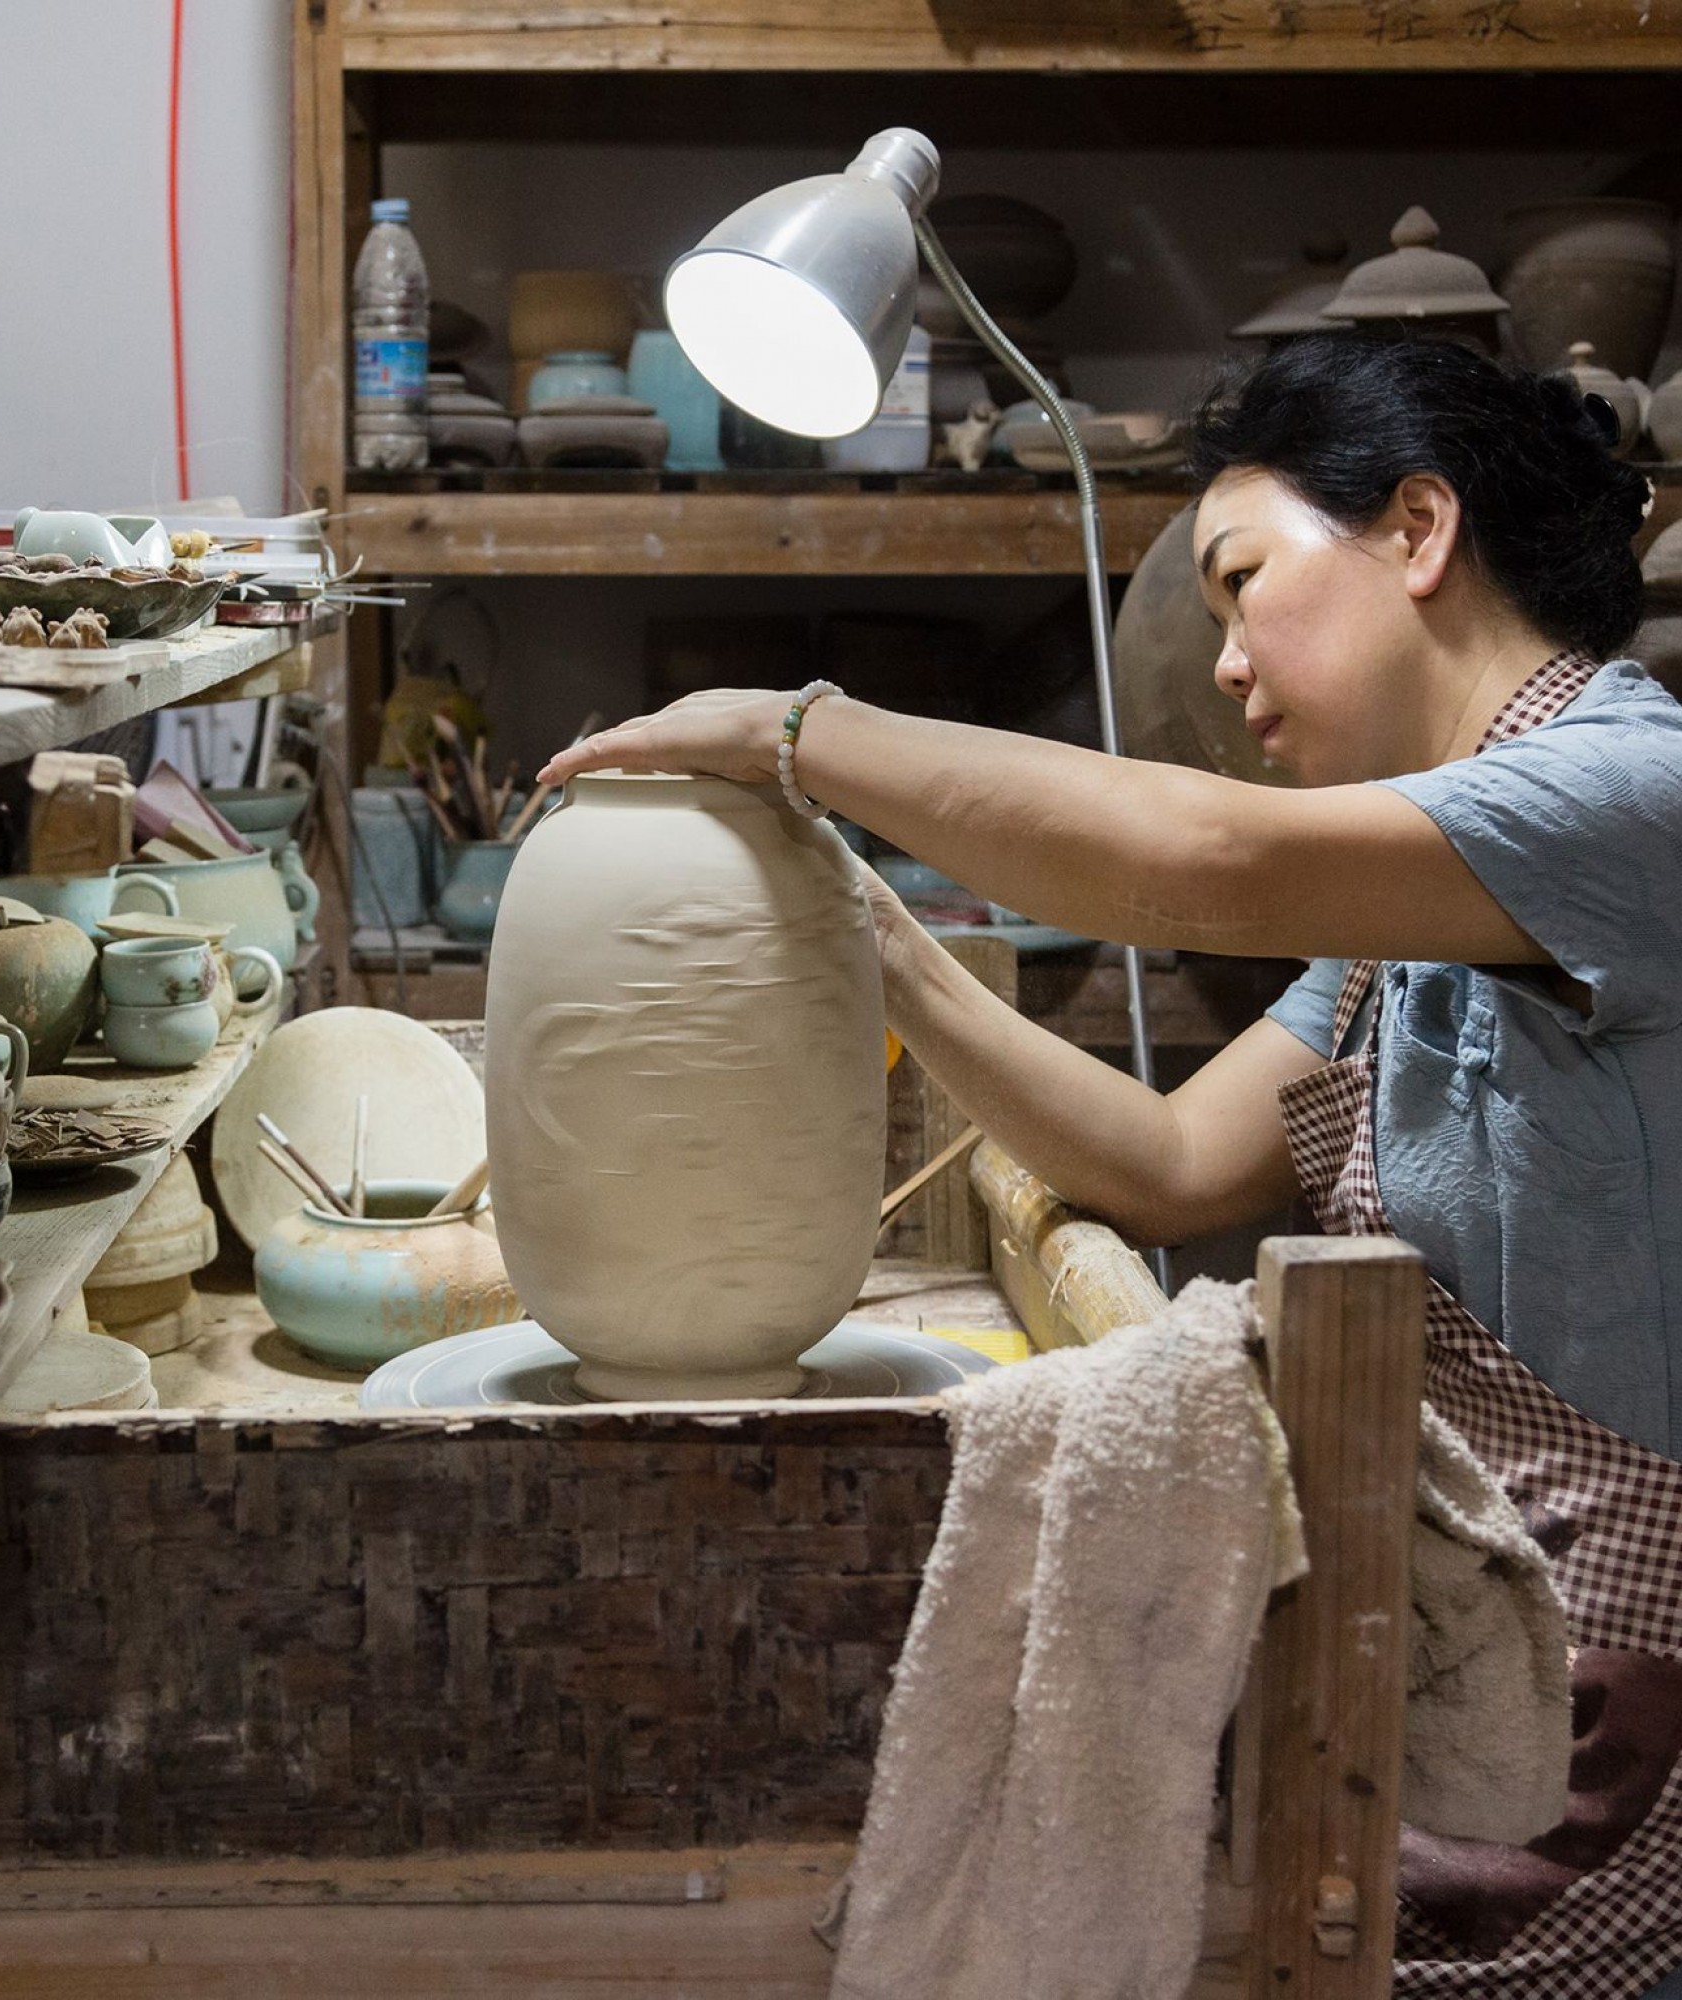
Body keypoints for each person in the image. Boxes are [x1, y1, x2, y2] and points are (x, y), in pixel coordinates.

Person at [538, 334, 1682, 1998]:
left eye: (1241, 582)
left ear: (1419, 532)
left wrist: (789, 728)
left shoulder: (1636, 795)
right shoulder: (1405, 905)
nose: (1222, 665)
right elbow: (1165, 1162)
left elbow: (1201, 862)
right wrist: (882, 940)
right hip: (1453, 1663)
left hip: (1627, 1685)